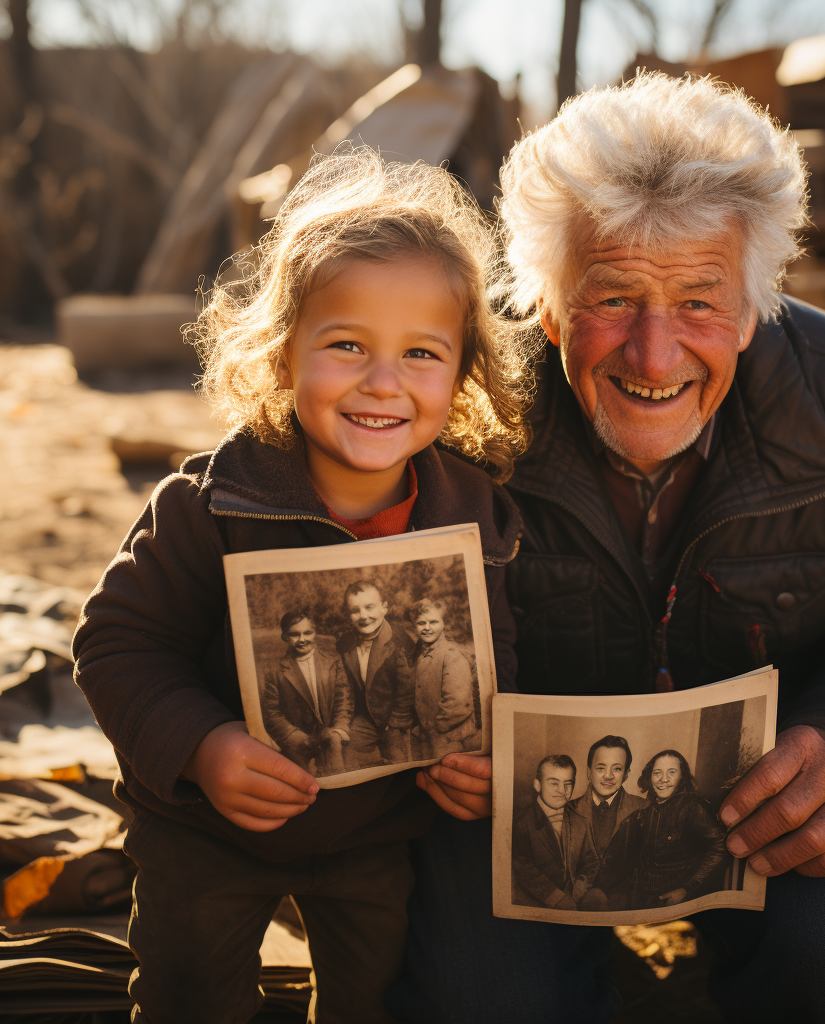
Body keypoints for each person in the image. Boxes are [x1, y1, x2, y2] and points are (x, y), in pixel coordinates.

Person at [392, 74, 825, 1024]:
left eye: (699, 302)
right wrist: (436, 739)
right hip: (505, 809)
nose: (654, 356)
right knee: (478, 1003)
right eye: (613, 298)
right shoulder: (453, 411)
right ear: (545, 306)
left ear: (753, 308)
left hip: (761, 806)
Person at [72, 147, 534, 1024]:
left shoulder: (472, 517)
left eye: (422, 353)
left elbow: (493, 650)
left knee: (371, 1003)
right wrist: (202, 749)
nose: (383, 381)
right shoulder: (213, 504)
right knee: (190, 1000)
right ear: (284, 353)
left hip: (376, 839)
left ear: (465, 369)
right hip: (207, 835)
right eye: (347, 344)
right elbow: (116, 644)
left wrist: (485, 752)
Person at [596, 750, 726, 910]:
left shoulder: (692, 807)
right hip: (646, 899)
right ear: (649, 778)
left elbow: (719, 846)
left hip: (680, 900)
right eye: (657, 773)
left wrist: (687, 889)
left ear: (682, 777)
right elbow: (620, 855)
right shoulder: (644, 811)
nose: (663, 779)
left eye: (672, 772)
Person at [261, 610, 351, 776]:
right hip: (298, 742)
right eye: (295, 634)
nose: (302, 639)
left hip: (331, 738)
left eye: (307, 633)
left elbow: (343, 700)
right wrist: (296, 737)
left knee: (339, 777)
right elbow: (272, 714)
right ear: (285, 637)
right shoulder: (276, 672)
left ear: (315, 632)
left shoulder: (333, 662)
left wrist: (338, 731)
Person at [336, 580, 415, 767]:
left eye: (369, 607)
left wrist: (396, 724)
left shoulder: (400, 641)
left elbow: (407, 691)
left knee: (399, 763)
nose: (363, 616)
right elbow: (346, 686)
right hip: (365, 717)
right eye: (355, 610)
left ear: (384, 607)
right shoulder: (346, 644)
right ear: (349, 614)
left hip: (396, 719)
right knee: (348, 758)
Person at [511, 755, 605, 911]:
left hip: (575, 896)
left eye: (567, 784)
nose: (562, 790)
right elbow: (523, 868)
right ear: (537, 785)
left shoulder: (581, 822)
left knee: (598, 897)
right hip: (538, 900)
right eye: (554, 783)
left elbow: (591, 861)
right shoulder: (522, 823)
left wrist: (581, 883)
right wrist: (556, 897)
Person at [408, 597, 481, 758]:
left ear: (443, 624)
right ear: (414, 626)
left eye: (433, 622)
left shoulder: (451, 655)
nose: (427, 628)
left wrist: (435, 728)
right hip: (428, 736)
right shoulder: (420, 654)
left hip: (451, 737)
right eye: (421, 623)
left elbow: (458, 703)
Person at [567, 735, 646, 861]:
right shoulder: (569, 810)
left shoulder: (643, 808)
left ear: (626, 774)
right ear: (589, 772)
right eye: (601, 768)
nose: (608, 776)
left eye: (617, 769)